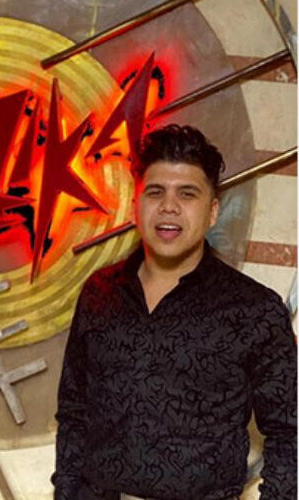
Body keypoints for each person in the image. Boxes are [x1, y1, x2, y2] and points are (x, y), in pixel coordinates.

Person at [51, 124, 296, 500]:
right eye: (155, 192)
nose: (169, 206)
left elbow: (290, 431)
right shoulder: (100, 293)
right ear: (136, 206)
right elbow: (74, 411)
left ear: (212, 211)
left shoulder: (254, 311)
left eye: (187, 193)